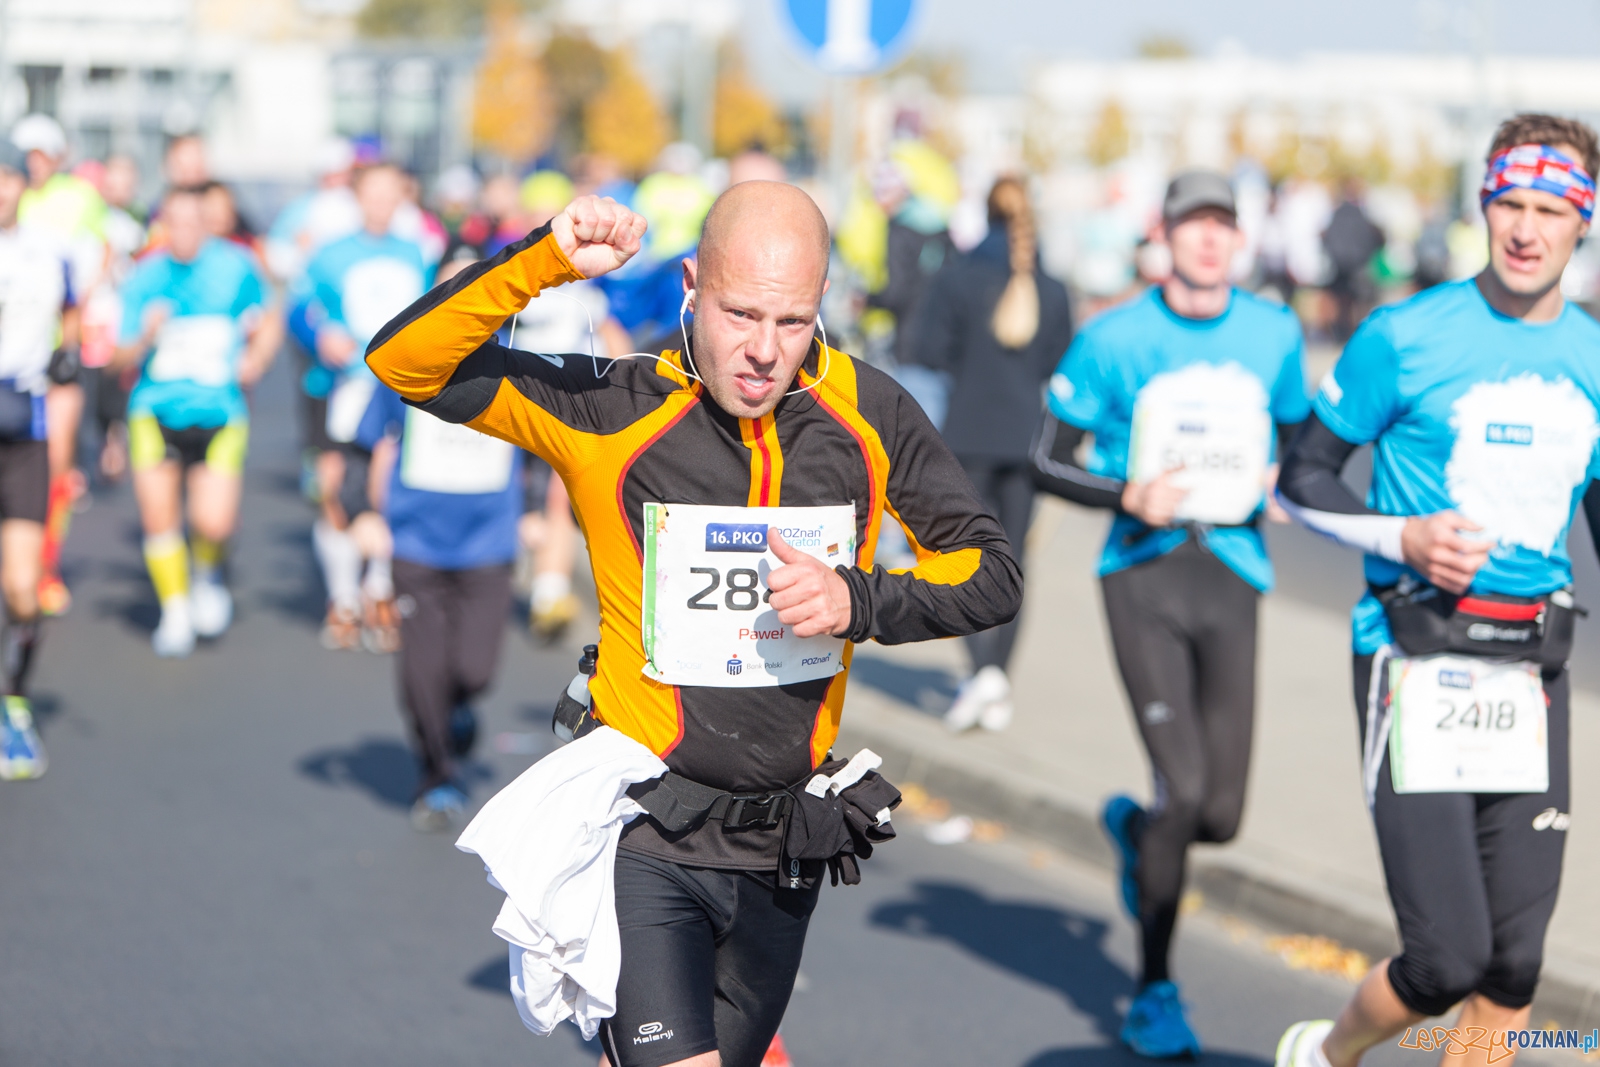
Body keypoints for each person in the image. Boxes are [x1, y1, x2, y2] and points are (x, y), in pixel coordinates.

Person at [365, 185, 1021, 1067]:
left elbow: (991, 571)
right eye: (740, 313)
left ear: (822, 304)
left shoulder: (869, 410)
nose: (764, 351)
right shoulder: (613, 407)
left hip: (782, 844)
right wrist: (545, 260)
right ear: (690, 285)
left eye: (792, 321)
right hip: (644, 832)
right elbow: (404, 361)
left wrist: (858, 600)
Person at [1273, 113, 1600, 1067]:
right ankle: (1327, 1053)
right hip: (1413, 658)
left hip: (1531, 672)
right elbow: (1303, 478)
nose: (1526, 229)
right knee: (1446, 957)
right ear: (1483, 207)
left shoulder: (1593, 357)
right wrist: (1403, 535)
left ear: (1583, 223)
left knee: (1515, 966)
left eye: (1551, 210)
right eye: (1510, 204)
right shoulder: (1405, 336)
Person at [1031, 169, 1309, 1058]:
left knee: (1218, 815)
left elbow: (1302, 433)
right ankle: (1153, 990)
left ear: (1241, 238)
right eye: (1194, 223)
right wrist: (1126, 493)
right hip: (1142, 574)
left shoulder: (1273, 332)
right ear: (1166, 234)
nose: (1209, 239)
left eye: (1223, 224)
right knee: (1183, 789)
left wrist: (1284, 477)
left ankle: (1135, 830)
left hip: (1235, 571)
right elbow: (1046, 455)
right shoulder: (1114, 336)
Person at [910, 176, 1073, 732]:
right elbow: (1058, 360)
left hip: (967, 436)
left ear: (985, 213)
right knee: (1015, 564)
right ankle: (997, 678)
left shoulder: (957, 278)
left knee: (963, 559)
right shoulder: (1052, 288)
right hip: (1027, 442)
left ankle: (981, 672)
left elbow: (929, 350)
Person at [111, 186, 281, 656]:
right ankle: (175, 610)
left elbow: (271, 313)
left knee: (214, 522)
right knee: (159, 517)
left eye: (193, 222)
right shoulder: (145, 276)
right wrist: (144, 337)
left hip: (220, 411)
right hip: (154, 411)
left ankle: (206, 575)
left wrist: (257, 357)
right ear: (164, 226)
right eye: (175, 223)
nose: (184, 232)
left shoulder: (236, 267)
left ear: (208, 224)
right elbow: (115, 355)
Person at [355, 378, 524, 829]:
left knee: (475, 671)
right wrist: (362, 511)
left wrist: (537, 512)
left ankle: (456, 708)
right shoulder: (406, 369)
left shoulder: (513, 370)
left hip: (489, 544)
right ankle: (437, 778)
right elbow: (363, 442)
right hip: (415, 544)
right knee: (423, 672)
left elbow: (545, 444)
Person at [301, 163, 428, 651]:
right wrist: (320, 334)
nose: (381, 202)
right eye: (372, 192)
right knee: (334, 487)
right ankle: (343, 597)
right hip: (343, 386)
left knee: (388, 488)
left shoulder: (417, 253)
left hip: (398, 392)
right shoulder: (330, 254)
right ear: (357, 196)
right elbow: (298, 308)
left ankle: (379, 587)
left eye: (390, 193)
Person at [12, 113, 106, 618]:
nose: (35, 164)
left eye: (43, 154)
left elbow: (99, 255)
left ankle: (46, 563)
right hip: (10, 359)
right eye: (27, 155)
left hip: (51, 358)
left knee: (54, 461)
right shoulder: (11, 194)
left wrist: (72, 332)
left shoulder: (79, 197)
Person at [0, 142, 74, 780]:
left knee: (24, 589)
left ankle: (14, 702)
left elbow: (73, 310)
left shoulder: (48, 251)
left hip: (23, 430)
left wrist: (65, 352)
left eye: (7, 179)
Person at [1322, 180, 1386, 342]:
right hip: (1360, 266)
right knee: (1362, 303)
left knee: (1343, 303)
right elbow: (1377, 237)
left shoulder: (1337, 214)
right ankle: (1359, 334)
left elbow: (1326, 238)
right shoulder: (1363, 214)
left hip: (1340, 266)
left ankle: (1341, 333)